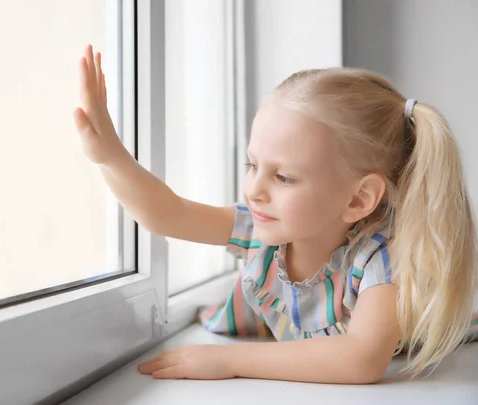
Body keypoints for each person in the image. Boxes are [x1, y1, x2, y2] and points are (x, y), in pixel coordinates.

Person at [73, 45, 478, 383]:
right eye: (252, 166)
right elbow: (168, 213)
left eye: (283, 177)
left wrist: (228, 362)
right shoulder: (261, 229)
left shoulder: (381, 258)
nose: (254, 190)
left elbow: (361, 359)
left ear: (358, 200)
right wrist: (110, 156)